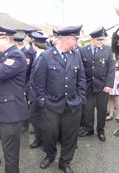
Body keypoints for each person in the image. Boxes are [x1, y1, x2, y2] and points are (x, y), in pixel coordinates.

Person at [34, 25, 86, 173]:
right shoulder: (46, 56)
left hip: (72, 104)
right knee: (50, 133)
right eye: (76, 39)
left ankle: (65, 162)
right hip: (51, 104)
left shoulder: (76, 55)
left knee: (70, 135)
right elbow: (38, 81)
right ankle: (50, 155)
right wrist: (42, 101)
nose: (77, 42)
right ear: (67, 39)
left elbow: (81, 78)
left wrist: (81, 97)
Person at [0, 23, 28, 173]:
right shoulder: (4, 55)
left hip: (11, 112)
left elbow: (1, 73)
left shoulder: (15, 54)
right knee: (7, 147)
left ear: (4, 39)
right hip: (4, 110)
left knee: (10, 152)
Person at [79, 27, 115, 141]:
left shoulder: (108, 50)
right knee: (88, 110)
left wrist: (109, 85)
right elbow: (80, 68)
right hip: (88, 86)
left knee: (101, 110)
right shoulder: (83, 50)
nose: (100, 42)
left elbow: (111, 69)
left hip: (102, 86)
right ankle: (89, 129)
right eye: (98, 40)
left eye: (102, 40)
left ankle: (100, 130)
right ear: (92, 39)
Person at [26, 31, 48, 149]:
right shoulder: (37, 55)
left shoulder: (44, 56)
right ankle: (40, 139)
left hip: (40, 94)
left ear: (34, 44)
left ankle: (41, 140)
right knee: (36, 117)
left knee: (35, 117)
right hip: (35, 93)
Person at [106, 55, 119, 120]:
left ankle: (118, 114)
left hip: (117, 81)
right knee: (111, 98)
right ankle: (111, 114)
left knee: (117, 98)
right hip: (111, 79)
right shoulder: (111, 58)